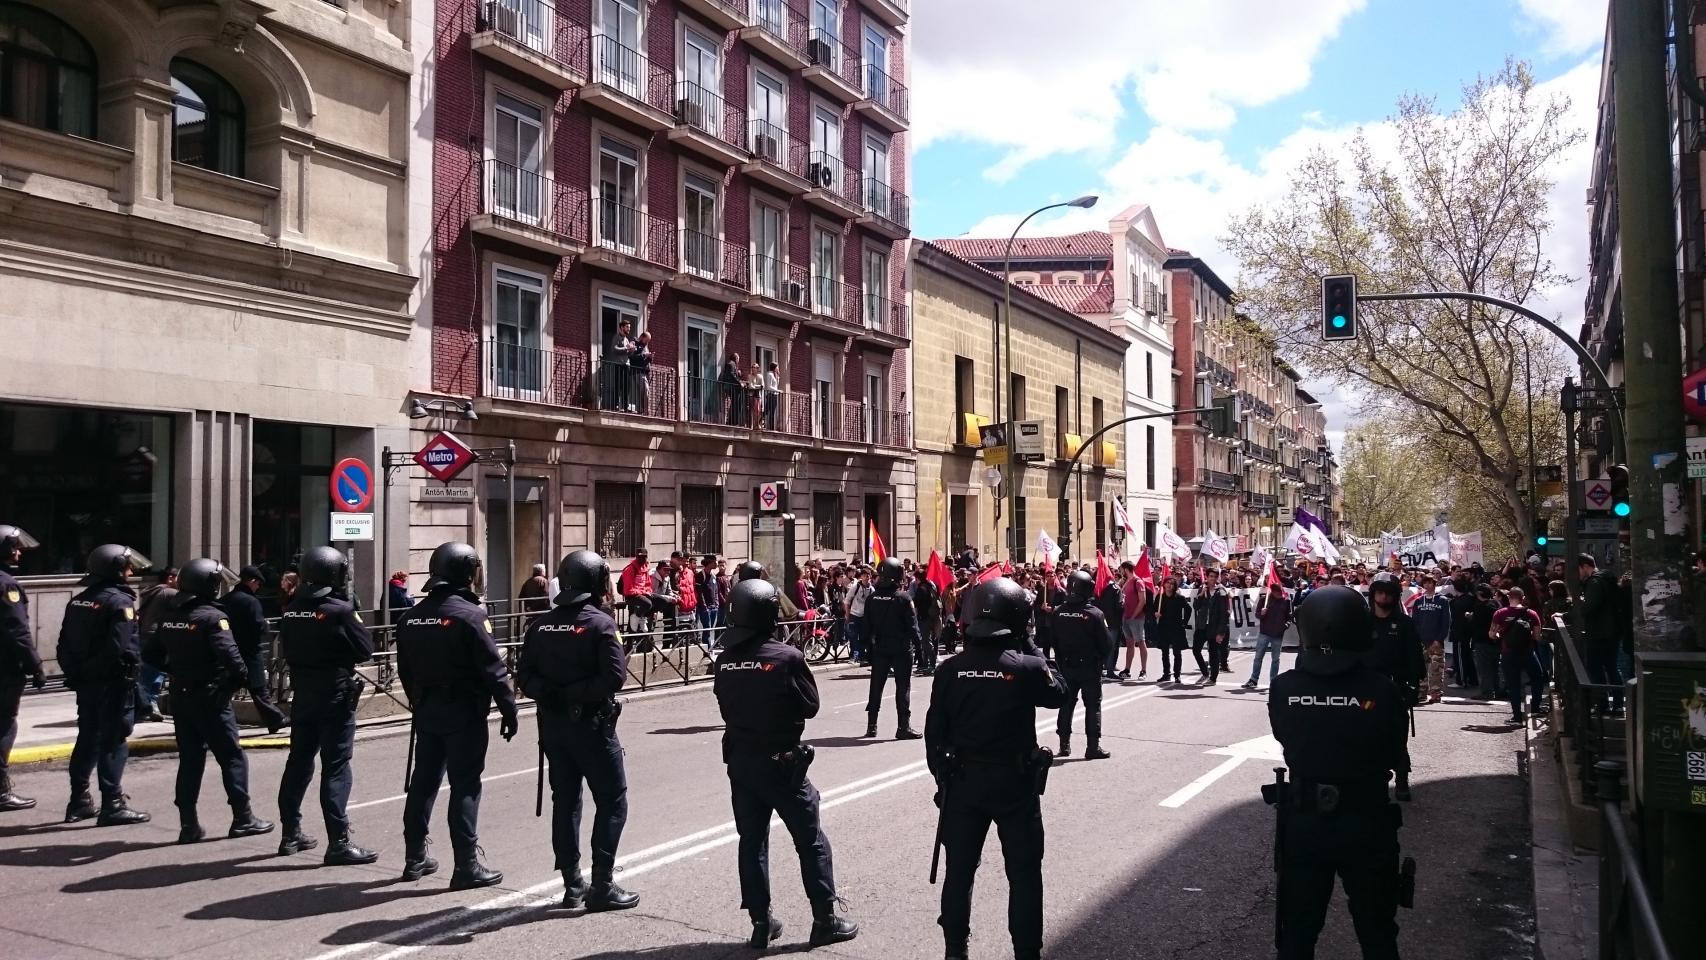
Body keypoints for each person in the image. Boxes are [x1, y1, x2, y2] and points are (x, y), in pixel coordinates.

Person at [712, 578, 859, 949]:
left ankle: (760, 923)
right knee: (810, 841)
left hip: (741, 762)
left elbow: (725, 705)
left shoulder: (725, 661)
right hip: (781, 763)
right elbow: (810, 705)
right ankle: (824, 919)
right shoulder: (787, 657)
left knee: (752, 841)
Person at [926, 577, 1068, 960]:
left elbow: (933, 734)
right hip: (1014, 785)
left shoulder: (950, 669)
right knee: (1023, 875)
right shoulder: (1025, 666)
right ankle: (1026, 952)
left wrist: (943, 779)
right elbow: (1059, 691)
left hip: (963, 783)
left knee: (959, 872)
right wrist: (1028, 643)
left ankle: (955, 950)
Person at [1267, 585, 1409, 960]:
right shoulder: (1382, 689)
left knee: (1297, 933)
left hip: (1305, 821)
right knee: (1377, 934)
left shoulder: (1284, 688)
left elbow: (1285, 736)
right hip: (1367, 819)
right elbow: (1395, 748)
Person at [516, 550, 640, 911]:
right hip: (592, 726)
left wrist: (551, 693)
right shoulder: (601, 624)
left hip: (554, 726)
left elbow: (524, 676)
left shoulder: (540, 625)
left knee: (565, 801)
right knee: (613, 800)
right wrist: (575, 693)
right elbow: (614, 676)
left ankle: (572, 884)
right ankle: (601, 883)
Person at [396, 542, 518, 889]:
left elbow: (405, 670)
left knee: (423, 782)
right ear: (466, 573)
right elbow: (494, 670)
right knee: (465, 785)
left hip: (428, 710)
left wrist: (418, 702)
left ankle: (414, 857)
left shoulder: (411, 617)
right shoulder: (470, 615)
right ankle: (465, 864)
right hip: (464, 711)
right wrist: (509, 709)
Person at [143, 558, 274, 843]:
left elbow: (151, 653)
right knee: (232, 757)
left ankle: (188, 824)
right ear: (209, 585)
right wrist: (228, 685)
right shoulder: (213, 618)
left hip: (181, 695)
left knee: (190, 759)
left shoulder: (170, 616)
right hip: (210, 696)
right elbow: (234, 662)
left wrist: (176, 671)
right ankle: (243, 817)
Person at [274, 546, 379, 865]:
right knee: (335, 766)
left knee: (299, 761)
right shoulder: (339, 609)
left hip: (303, 693)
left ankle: (290, 833)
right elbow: (365, 649)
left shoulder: (291, 608)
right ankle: (339, 841)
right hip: (334, 694)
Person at [56, 544, 152, 826]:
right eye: (127, 566)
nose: (131, 571)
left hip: (86, 683)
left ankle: (79, 801)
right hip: (112, 683)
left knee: (87, 737)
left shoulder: (79, 600)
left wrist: (79, 672)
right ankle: (112, 803)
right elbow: (119, 648)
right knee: (113, 741)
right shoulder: (120, 603)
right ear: (115, 569)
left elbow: (63, 644)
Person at [0, 525, 46, 813]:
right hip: (4, 668)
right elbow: (17, 632)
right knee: (4, 723)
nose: (18, 552)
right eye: (14, 546)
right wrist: (36, 666)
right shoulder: (6, 585)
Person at [1364, 573, 1421, 801]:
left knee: (1397, 735)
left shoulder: (1405, 624)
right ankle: (1369, 778)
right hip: (1367, 690)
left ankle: (1402, 779)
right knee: (1366, 733)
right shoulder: (1363, 623)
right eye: (1379, 592)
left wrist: (1414, 687)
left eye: (1388, 593)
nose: (1383, 596)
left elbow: (1415, 657)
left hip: (1395, 689)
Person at [1051, 571, 1113, 760]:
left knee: (1066, 705)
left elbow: (1053, 640)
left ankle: (1064, 745)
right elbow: (1107, 644)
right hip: (1089, 667)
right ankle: (1092, 747)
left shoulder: (1058, 612)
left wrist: (1061, 661)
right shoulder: (1094, 614)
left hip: (1067, 666)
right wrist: (1099, 659)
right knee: (1093, 705)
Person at [861, 558, 922, 740]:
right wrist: (920, 648)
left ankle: (872, 726)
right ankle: (903, 727)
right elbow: (913, 626)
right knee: (903, 688)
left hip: (880, 648)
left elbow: (865, 627)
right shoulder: (903, 598)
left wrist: (867, 649)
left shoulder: (872, 598)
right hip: (902, 649)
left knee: (876, 687)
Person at [224, 565, 287, 733]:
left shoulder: (226, 599)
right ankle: (276, 720)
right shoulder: (251, 601)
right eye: (257, 584)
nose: (258, 588)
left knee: (226, 688)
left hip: (230, 650)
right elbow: (260, 627)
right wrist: (265, 626)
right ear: (252, 581)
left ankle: (275, 719)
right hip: (250, 651)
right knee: (259, 689)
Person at [1576, 554, 1623, 715]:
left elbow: (1588, 608)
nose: (1577, 574)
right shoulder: (1607, 579)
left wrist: (1577, 606)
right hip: (1612, 632)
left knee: (1595, 668)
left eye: (1578, 569)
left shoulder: (1594, 583)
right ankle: (1617, 704)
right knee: (1611, 667)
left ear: (1584, 566)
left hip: (1598, 633)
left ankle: (1602, 703)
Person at [1492, 587, 1545, 724]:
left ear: (1509, 597)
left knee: (1513, 684)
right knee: (1538, 678)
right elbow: (1538, 636)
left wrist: (1500, 635)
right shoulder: (1532, 614)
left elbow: (1492, 634)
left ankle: (1517, 717)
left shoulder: (1500, 613)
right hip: (1528, 652)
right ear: (1523, 598)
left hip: (1508, 653)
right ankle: (1535, 708)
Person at [135, 567, 179, 722]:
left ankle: (144, 704)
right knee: (156, 673)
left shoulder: (152, 591)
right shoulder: (168, 593)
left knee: (147, 672)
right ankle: (148, 704)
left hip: (146, 634)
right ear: (170, 578)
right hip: (157, 637)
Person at [1408, 575, 1451, 704]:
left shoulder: (1442, 600)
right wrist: (1416, 638)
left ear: (1434, 583)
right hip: (1421, 640)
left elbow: (1446, 621)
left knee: (1436, 668)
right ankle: (1421, 692)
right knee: (1421, 668)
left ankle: (1435, 694)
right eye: (1425, 583)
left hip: (1436, 641)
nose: (1427, 585)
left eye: (1429, 582)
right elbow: (1414, 621)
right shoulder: (1419, 601)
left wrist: (1439, 639)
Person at [1244, 579, 1292, 690]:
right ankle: (1253, 679)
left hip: (1278, 635)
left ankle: (1273, 681)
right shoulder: (1264, 600)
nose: (1280, 594)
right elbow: (1257, 615)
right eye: (1278, 592)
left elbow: (1289, 617)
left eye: (1281, 592)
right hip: (1264, 633)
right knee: (1258, 657)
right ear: (1273, 592)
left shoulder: (1286, 601)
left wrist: (1285, 626)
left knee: (1275, 659)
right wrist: (1261, 613)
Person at [1191, 568, 1232, 684]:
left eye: (1215, 576)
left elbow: (1224, 613)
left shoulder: (1221, 591)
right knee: (1196, 650)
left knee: (1213, 652)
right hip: (1202, 625)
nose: (1212, 579)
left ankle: (1213, 678)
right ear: (1207, 577)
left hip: (1214, 627)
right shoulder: (1202, 589)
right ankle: (1205, 672)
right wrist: (1201, 594)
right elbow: (1196, 606)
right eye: (1210, 576)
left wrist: (1221, 632)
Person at [1154, 576, 1192, 683]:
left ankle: (1177, 675)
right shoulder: (1160, 598)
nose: (1169, 585)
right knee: (1164, 653)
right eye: (1167, 583)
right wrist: (1155, 614)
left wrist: (1184, 623)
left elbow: (1188, 609)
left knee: (1177, 652)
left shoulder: (1179, 598)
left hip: (1176, 628)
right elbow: (1154, 609)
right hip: (1164, 628)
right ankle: (1166, 674)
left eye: (1172, 584)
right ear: (1164, 584)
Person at [1469, 584, 1502, 701]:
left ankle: (1487, 692)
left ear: (1479, 594)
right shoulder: (1496, 604)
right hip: (1496, 640)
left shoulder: (1480, 607)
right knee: (1495, 667)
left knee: (1484, 668)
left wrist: (1470, 617)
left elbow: (1476, 624)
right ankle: (1497, 690)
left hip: (1482, 640)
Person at [1119, 564, 1150, 680]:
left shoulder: (1138, 582)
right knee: (1129, 643)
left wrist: (1134, 615)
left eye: (1121, 570)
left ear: (1126, 569)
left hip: (1136, 618)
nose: (1121, 572)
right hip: (1126, 617)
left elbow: (1142, 601)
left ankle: (1143, 670)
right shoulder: (1126, 581)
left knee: (1141, 642)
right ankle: (1127, 669)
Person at [844, 567, 872, 664]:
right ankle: (854, 656)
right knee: (854, 636)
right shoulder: (855, 587)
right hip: (854, 614)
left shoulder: (871, 589)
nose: (866, 578)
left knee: (864, 636)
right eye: (864, 576)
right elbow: (847, 601)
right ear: (861, 577)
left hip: (865, 616)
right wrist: (847, 614)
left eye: (868, 576)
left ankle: (862, 656)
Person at [630, 330, 653, 414]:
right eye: (646, 340)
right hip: (638, 371)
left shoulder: (645, 347)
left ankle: (641, 410)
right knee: (645, 391)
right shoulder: (635, 343)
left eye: (648, 341)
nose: (647, 342)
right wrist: (644, 355)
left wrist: (650, 357)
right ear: (642, 337)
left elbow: (647, 360)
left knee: (643, 392)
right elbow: (632, 357)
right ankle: (645, 411)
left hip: (645, 372)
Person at [720, 351, 746, 426]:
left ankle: (732, 420)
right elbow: (731, 375)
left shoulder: (732, 364)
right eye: (738, 358)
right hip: (731, 387)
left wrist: (739, 376)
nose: (738, 360)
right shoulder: (731, 364)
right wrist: (739, 383)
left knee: (735, 404)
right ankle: (733, 421)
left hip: (731, 386)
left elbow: (733, 375)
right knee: (736, 404)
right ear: (736, 358)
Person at [762, 361, 781, 430]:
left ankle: (771, 427)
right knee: (767, 411)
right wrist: (777, 391)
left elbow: (775, 386)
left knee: (772, 412)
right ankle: (761, 423)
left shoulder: (774, 375)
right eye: (777, 367)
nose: (778, 368)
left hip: (775, 395)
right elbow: (769, 386)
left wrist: (778, 377)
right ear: (774, 367)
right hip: (771, 395)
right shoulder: (769, 374)